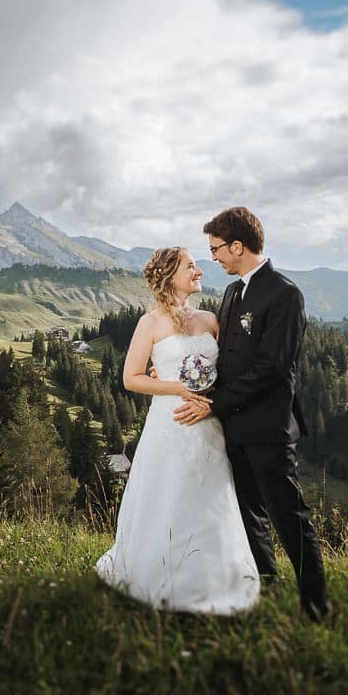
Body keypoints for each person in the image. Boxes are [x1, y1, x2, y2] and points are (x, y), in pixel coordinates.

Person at [174, 206, 332, 621]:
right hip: (233, 429)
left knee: (289, 517)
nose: (214, 258)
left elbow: (272, 367)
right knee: (249, 516)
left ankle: (316, 606)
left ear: (238, 245)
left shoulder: (284, 294)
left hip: (268, 429)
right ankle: (268, 587)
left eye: (217, 249)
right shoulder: (231, 294)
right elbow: (225, 360)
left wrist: (214, 402)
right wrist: (189, 381)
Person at [95, 247, 261, 614]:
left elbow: (232, 373)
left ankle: (215, 576)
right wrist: (176, 387)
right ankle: (160, 574)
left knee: (213, 496)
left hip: (208, 423)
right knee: (168, 494)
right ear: (171, 276)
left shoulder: (211, 320)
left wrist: (211, 397)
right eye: (191, 266)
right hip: (169, 423)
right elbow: (131, 378)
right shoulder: (149, 324)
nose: (199, 270)